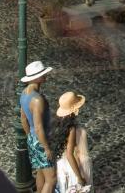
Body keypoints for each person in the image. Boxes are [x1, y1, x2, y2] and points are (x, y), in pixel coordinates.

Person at [19, 60, 56, 193]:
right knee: (51, 179)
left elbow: (23, 118)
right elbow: (39, 127)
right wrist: (46, 147)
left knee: (40, 173)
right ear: (35, 78)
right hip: (41, 141)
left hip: (32, 139)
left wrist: (30, 136)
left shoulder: (24, 93)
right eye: (43, 74)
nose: (46, 75)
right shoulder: (37, 100)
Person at [52, 91, 91, 193]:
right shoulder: (71, 128)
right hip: (73, 166)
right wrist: (79, 177)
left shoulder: (57, 124)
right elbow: (70, 154)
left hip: (61, 163)